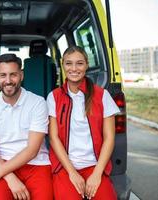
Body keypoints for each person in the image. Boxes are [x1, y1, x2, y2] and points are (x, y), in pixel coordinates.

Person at [0, 53, 53, 200]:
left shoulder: (38, 103)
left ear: (21, 75)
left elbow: (32, 151)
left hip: (36, 164)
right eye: (3, 75)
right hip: (0, 162)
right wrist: (10, 178)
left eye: (13, 75)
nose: (8, 81)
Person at [47, 46, 119, 200]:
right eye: (69, 63)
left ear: (87, 65)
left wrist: (97, 174)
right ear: (63, 65)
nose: (74, 68)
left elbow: (109, 138)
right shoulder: (54, 97)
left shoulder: (102, 95)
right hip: (65, 167)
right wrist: (72, 172)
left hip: (95, 166)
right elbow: (53, 138)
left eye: (79, 63)